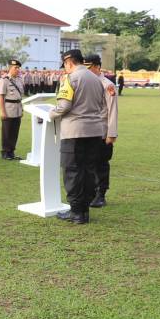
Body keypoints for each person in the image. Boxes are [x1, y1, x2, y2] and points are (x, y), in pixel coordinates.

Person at [50, 49, 106, 224]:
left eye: (65, 65)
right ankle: (84, 211)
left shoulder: (70, 78)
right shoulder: (97, 79)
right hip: (95, 131)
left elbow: (64, 106)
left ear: (69, 63)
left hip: (74, 131)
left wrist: (51, 113)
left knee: (72, 171)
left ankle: (76, 212)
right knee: (89, 170)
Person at [84, 54, 118, 208]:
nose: (86, 71)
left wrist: (111, 134)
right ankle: (90, 193)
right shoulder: (86, 83)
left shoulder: (107, 85)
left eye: (89, 68)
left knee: (101, 164)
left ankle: (101, 194)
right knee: (89, 163)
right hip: (88, 130)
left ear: (97, 67)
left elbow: (112, 111)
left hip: (102, 131)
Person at [0, 59, 25, 160]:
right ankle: (5, 152)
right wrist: (2, 111)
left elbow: (19, 96)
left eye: (18, 67)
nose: (18, 69)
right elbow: (1, 96)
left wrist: (21, 109)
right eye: (15, 68)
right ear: (10, 68)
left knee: (14, 132)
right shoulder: (4, 80)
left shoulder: (18, 80)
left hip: (17, 108)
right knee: (7, 132)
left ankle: (12, 152)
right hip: (8, 108)